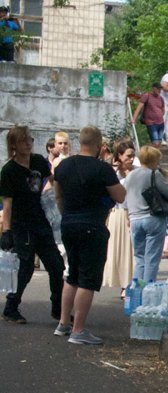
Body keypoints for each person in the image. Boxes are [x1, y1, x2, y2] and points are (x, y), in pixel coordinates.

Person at [51, 125, 125, 345]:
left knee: (72, 274)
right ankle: (79, 330)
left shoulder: (63, 166)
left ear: (79, 141)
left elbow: (58, 196)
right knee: (88, 278)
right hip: (92, 225)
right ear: (99, 144)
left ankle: (63, 323)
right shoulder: (102, 169)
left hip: (69, 223)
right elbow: (120, 196)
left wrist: (68, 214)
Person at [0, 125, 65, 324]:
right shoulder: (9, 170)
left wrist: (52, 197)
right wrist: (7, 230)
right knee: (25, 268)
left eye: (30, 140)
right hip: (22, 224)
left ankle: (58, 307)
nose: (28, 144)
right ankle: (11, 307)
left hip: (41, 220)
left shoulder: (38, 161)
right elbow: (8, 203)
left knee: (56, 265)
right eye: (23, 141)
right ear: (13, 145)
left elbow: (52, 179)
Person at [124, 145, 168, 282]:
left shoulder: (130, 176)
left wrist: (128, 218)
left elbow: (124, 200)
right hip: (153, 218)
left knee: (139, 258)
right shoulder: (154, 174)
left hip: (134, 219)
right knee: (152, 258)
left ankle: (137, 290)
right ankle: (148, 290)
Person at [103, 140, 135, 295]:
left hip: (131, 214)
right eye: (128, 156)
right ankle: (118, 280)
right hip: (116, 213)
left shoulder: (136, 172)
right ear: (119, 156)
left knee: (129, 252)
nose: (131, 159)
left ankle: (127, 285)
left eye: (133, 156)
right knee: (115, 250)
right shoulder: (113, 173)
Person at [132, 82, 166, 148]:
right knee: (155, 143)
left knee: (159, 143)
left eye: (160, 89)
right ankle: (149, 154)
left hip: (161, 123)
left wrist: (159, 114)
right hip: (151, 123)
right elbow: (139, 108)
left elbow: (163, 110)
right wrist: (133, 119)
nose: (160, 90)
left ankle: (155, 157)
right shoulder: (147, 96)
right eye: (158, 89)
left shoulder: (161, 98)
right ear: (153, 88)